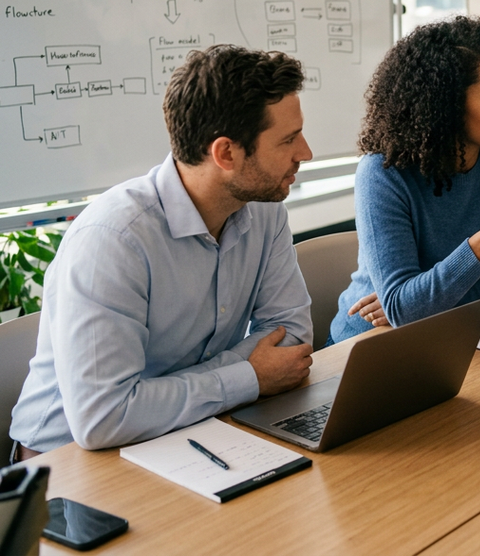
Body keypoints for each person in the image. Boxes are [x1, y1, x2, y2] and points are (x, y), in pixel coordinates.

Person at [10, 45, 315, 458]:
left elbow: (291, 343)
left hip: (190, 433)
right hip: (65, 466)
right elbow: (105, 417)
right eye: (288, 140)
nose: (306, 153)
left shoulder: (263, 209)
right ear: (225, 153)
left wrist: (166, 396)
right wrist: (248, 376)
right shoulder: (113, 240)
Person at [330, 16, 480, 343]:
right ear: (449, 105)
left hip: (455, 333)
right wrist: (479, 248)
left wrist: (424, 303)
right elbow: (402, 310)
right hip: (369, 341)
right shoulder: (383, 173)